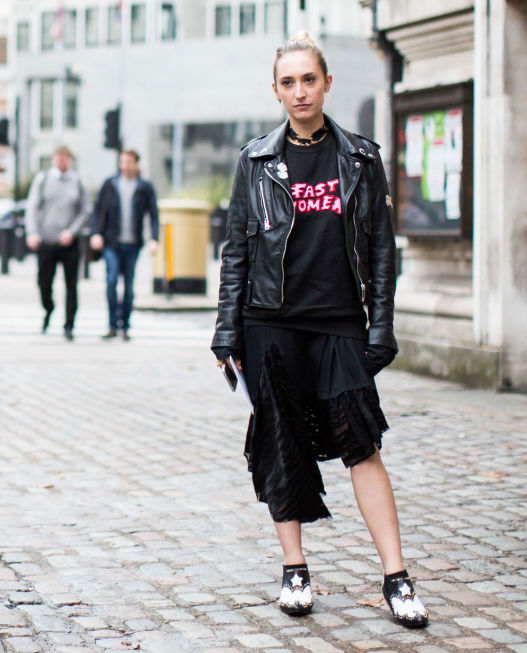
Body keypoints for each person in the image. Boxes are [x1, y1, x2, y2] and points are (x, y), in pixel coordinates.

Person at [210, 32, 428, 628]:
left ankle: (397, 576)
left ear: (327, 83)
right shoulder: (255, 160)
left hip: (338, 322)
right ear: (275, 90)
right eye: (288, 82)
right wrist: (227, 331)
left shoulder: (360, 158)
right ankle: (295, 566)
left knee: (363, 443)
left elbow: (382, 250)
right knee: (280, 440)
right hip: (269, 322)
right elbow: (237, 253)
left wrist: (380, 325)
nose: (300, 91)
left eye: (309, 79)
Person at [90, 149, 159, 341]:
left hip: (133, 244)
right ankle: (112, 324)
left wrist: (154, 239)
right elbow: (97, 210)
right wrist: (96, 233)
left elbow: (153, 214)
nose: (125, 165)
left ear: (136, 164)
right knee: (111, 280)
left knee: (129, 286)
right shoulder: (110, 184)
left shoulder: (144, 187)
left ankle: (125, 325)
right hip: (111, 242)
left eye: (128, 162)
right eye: (122, 162)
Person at [25, 145, 89, 340]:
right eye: (59, 158)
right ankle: (48, 308)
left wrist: (72, 231)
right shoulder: (43, 180)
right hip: (46, 239)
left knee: (71, 285)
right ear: (54, 159)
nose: (62, 161)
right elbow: (32, 207)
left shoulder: (78, 182)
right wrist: (32, 232)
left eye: (65, 158)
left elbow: (85, 211)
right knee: (44, 281)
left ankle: (69, 324)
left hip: (69, 242)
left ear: (70, 160)